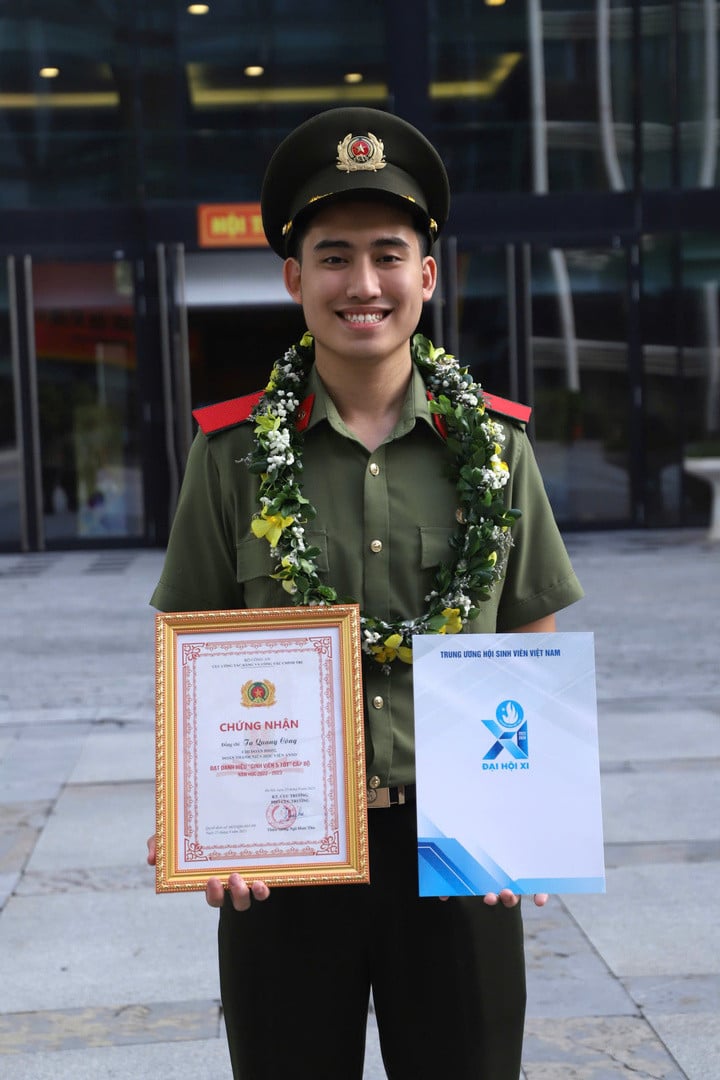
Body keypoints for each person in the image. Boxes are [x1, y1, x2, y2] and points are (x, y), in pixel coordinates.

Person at [147, 106, 584, 1079]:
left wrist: (527, 814)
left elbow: (528, 624)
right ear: (294, 278)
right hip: (286, 850)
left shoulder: (495, 448)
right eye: (334, 257)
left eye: (388, 255)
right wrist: (199, 817)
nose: (363, 285)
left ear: (427, 275)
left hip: (456, 845)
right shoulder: (230, 455)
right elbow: (191, 635)